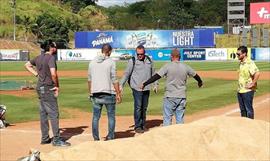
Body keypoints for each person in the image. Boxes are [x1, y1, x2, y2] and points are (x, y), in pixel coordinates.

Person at [24, 41, 70, 146]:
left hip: (39, 87)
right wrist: (57, 86)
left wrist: (37, 75)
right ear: (51, 48)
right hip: (48, 87)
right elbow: (53, 74)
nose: (56, 47)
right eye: (55, 46)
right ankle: (57, 140)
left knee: (43, 113)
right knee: (54, 114)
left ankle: (45, 138)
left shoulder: (39, 57)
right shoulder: (51, 58)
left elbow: (27, 65)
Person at [141, 49, 203, 126]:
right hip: (181, 96)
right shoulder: (185, 66)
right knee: (180, 119)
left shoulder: (167, 66)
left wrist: (145, 83)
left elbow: (156, 76)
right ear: (179, 57)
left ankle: (167, 136)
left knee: (167, 119)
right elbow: (196, 75)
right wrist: (200, 82)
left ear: (171, 57)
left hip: (170, 96)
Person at [120, 45, 157, 133]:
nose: (140, 55)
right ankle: (137, 126)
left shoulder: (149, 60)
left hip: (146, 87)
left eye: (141, 54)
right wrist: (121, 84)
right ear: (136, 53)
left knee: (144, 107)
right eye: (138, 54)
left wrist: (155, 84)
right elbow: (126, 74)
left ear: (144, 53)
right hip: (136, 87)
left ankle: (143, 124)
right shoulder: (132, 61)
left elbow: (154, 73)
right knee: (138, 107)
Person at [88, 44, 121, 141]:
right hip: (109, 92)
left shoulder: (92, 62)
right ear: (109, 51)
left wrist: (90, 92)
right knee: (111, 116)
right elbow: (114, 79)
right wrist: (118, 93)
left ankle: (96, 138)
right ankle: (110, 136)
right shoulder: (111, 62)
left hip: (95, 93)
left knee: (95, 117)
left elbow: (89, 79)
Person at [236, 46, 260, 119]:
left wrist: (252, 83)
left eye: (238, 54)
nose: (237, 55)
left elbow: (257, 73)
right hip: (240, 90)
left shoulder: (249, 63)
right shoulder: (241, 63)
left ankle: (251, 126)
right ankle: (244, 126)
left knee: (248, 110)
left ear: (244, 54)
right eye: (237, 54)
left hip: (247, 91)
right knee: (242, 110)